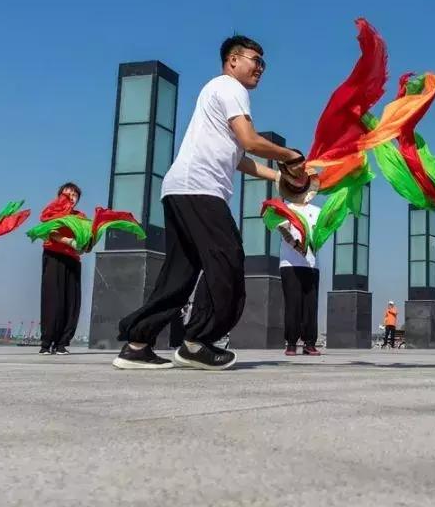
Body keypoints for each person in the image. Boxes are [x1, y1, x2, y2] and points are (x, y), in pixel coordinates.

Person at [113, 35, 309, 370]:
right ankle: (196, 342)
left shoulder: (216, 93)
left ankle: (137, 344)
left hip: (180, 188)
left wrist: (279, 178)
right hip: (199, 189)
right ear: (233, 60)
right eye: (255, 60)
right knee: (228, 259)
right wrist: (292, 156)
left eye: (264, 63)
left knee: (180, 273)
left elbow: (239, 157)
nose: (260, 68)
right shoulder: (231, 87)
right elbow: (250, 140)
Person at [38, 182, 86, 355]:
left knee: (71, 301)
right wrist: (68, 241)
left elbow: (86, 236)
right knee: (52, 299)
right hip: (53, 256)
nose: (70, 198)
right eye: (66, 195)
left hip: (72, 259)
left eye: (74, 196)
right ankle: (46, 343)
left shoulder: (80, 216)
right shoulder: (52, 211)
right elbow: (48, 227)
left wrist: (84, 244)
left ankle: (61, 343)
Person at [278, 199, 322, 356]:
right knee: (293, 305)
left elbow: (322, 232)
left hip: (312, 264)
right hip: (290, 264)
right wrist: (297, 246)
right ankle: (291, 343)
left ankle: (309, 343)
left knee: (311, 306)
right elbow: (283, 230)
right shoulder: (286, 209)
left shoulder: (318, 211)